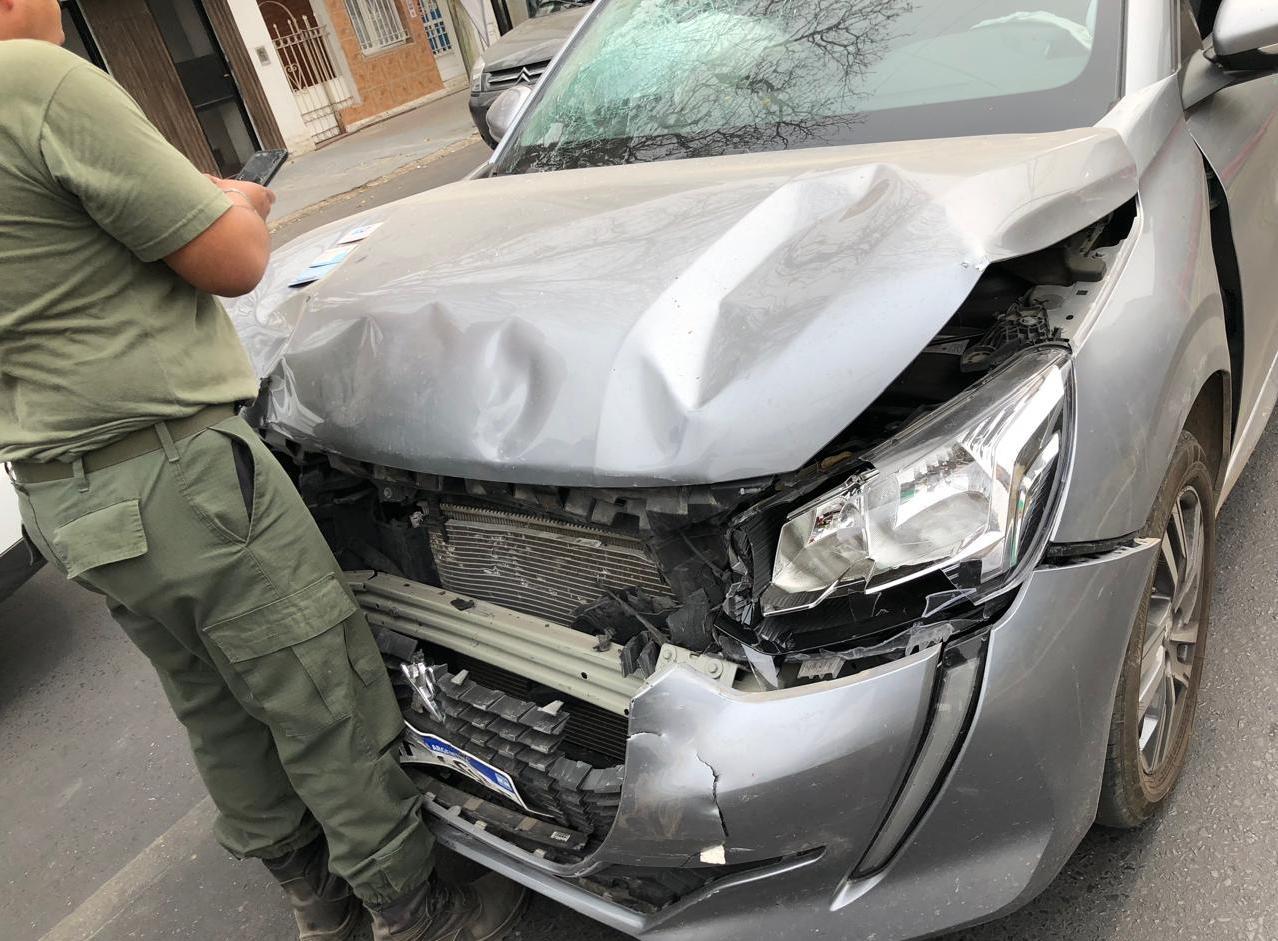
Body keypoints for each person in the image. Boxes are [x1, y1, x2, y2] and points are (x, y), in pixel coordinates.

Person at [0, 4, 526, 940]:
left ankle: (313, 895)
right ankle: (414, 909)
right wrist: (236, 201)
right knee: (319, 686)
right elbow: (237, 261)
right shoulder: (35, 82)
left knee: (211, 698)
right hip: (173, 472)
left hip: (61, 490)